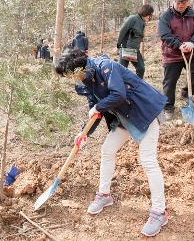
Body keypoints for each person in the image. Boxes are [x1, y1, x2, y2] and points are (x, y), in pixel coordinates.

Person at [54, 47, 168, 237]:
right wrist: (84, 134)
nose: (72, 79)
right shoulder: (86, 80)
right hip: (124, 118)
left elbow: (118, 95)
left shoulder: (106, 66)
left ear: (77, 67)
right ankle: (104, 195)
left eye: (70, 74)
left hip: (144, 113)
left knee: (147, 160)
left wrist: (98, 106)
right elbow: (95, 112)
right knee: (107, 150)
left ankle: (159, 212)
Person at [158, 0, 194, 120]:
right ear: (173, 0)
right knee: (170, 82)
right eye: (178, 1)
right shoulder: (166, 16)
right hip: (172, 54)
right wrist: (179, 45)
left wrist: (192, 43)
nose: (180, 4)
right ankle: (168, 108)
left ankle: (185, 93)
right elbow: (164, 35)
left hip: (191, 52)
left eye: (184, 2)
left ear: (188, 1)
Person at [117, 5, 154, 79]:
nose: (150, 17)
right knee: (121, 71)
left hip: (135, 50)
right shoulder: (133, 19)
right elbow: (122, 31)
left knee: (141, 69)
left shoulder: (142, 22)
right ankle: (119, 87)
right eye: (149, 15)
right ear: (145, 13)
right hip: (126, 49)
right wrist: (118, 44)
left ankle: (137, 85)